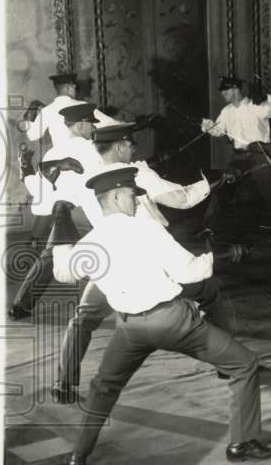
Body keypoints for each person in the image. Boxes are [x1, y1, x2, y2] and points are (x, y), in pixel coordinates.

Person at [53, 167, 271, 465]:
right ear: (117, 196)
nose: (137, 201)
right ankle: (242, 442)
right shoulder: (146, 229)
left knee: (104, 387)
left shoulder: (91, 241)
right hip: (173, 323)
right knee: (245, 365)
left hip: (130, 329)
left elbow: (64, 272)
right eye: (133, 195)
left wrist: (61, 224)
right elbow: (192, 272)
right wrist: (226, 255)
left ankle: (78, 457)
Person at [51, 123, 217, 403]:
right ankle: (231, 366)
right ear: (119, 147)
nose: (134, 149)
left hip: (109, 260)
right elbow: (183, 199)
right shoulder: (138, 173)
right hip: (151, 256)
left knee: (83, 319)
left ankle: (63, 384)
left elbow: (60, 203)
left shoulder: (85, 178)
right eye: (130, 144)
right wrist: (212, 182)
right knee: (210, 290)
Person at [8, 103, 105, 320]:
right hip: (87, 213)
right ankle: (94, 308)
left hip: (62, 213)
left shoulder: (54, 151)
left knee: (50, 258)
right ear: (81, 125)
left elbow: (39, 191)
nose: (93, 130)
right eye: (90, 125)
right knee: (103, 251)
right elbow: (99, 182)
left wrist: (26, 169)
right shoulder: (91, 150)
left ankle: (20, 306)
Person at [200, 75, 271, 235]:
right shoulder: (226, 111)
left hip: (260, 155)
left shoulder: (256, 106)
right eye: (222, 91)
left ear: (236, 89)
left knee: (268, 191)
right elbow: (219, 131)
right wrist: (208, 127)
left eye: (226, 90)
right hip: (239, 156)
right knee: (223, 186)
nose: (223, 94)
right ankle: (208, 226)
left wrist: (269, 97)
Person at [21, 72, 123, 149]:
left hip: (60, 157)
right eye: (74, 87)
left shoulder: (47, 111)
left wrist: (28, 119)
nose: (75, 90)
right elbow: (111, 124)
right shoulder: (83, 106)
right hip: (85, 154)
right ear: (69, 87)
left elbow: (32, 135)